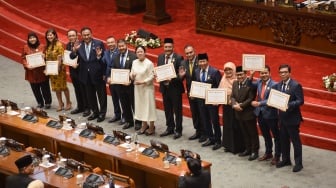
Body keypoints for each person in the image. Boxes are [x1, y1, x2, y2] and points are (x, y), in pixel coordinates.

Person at [70, 27, 107, 122]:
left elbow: (104, 59)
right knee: (90, 96)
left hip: (98, 74)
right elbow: (72, 57)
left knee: (101, 95)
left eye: (88, 34)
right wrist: (74, 50)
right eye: (84, 35)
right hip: (85, 75)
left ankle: (102, 114)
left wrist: (99, 57)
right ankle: (95, 112)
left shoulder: (98, 43)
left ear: (91, 34)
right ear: (81, 36)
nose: (86, 37)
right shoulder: (79, 45)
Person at [249, 65, 281, 165]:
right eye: (262, 73)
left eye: (266, 73)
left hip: (271, 114)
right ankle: (268, 153)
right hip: (260, 114)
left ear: (270, 73)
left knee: (276, 136)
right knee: (266, 135)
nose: (264, 75)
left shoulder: (275, 85)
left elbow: (272, 99)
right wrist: (251, 76)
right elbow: (250, 85)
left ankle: (277, 156)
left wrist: (259, 103)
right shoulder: (258, 81)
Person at [275, 64, 304, 172]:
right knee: (284, 140)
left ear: (289, 73)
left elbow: (300, 101)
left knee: (295, 142)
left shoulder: (296, 85)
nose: (283, 74)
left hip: (292, 118)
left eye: (285, 72)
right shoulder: (278, 85)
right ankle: (286, 159)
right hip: (282, 118)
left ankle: (298, 163)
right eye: (281, 72)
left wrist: (289, 105)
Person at [193, 53, 222, 150]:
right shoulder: (197, 71)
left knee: (214, 120)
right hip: (201, 101)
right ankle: (211, 138)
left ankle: (218, 140)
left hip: (212, 101)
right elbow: (196, 84)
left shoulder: (214, 72)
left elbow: (219, 86)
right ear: (198, 62)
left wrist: (217, 101)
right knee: (205, 120)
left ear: (207, 61)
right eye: (200, 61)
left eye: (203, 61)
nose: (202, 63)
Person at [157, 38, 184, 139]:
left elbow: (181, 75)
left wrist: (172, 78)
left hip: (175, 88)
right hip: (164, 88)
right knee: (167, 109)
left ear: (173, 47)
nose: (167, 49)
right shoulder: (160, 57)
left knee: (177, 110)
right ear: (163, 47)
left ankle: (178, 130)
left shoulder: (178, 58)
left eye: (169, 47)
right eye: (166, 47)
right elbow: (159, 71)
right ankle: (170, 128)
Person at [179, 45, 206, 142]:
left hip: (200, 92)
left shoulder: (200, 61)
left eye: (190, 52)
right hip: (190, 93)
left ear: (194, 51)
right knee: (194, 112)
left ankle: (204, 133)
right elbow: (181, 77)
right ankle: (198, 131)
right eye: (187, 53)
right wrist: (181, 76)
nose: (189, 55)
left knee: (202, 112)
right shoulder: (183, 63)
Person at [231, 66, 259, 161]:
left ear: (245, 74)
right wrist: (234, 104)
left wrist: (241, 106)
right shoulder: (235, 83)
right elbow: (232, 96)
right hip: (238, 113)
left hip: (248, 113)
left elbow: (251, 98)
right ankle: (248, 149)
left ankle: (255, 151)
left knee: (252, 133)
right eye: (238, 75)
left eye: (241, 74)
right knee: (244, 132)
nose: (239, 77)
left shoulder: (250, 84)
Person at [110, 39, 138, 130]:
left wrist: (130, 79)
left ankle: (138, 122)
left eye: (123, 46)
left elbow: (136, 71)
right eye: (119, 46)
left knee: (134, 104)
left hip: (131, 85)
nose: (121, 48)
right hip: (120, 86)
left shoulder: (133, 56)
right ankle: (129, 121)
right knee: (124, 104)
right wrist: (112, 78)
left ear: (126, 45)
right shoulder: (115, 57)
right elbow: (114, 69)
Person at [219, 62, 245, 154]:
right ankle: (228, 145)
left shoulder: (238, 80)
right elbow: (219, 92)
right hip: (226, 107)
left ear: (233, 70)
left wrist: (233, 102)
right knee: (227, 126)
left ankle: (238, 147)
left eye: (230, 69)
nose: (228, 71)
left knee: (236, 126)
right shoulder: (223, 79)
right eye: (226, 70)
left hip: (236, 107)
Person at [21, 32, 52, 109]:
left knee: (45, 88)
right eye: (30, 38)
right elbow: (23, 58)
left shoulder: (42, 46)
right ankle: (40, 102)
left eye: (33, 37)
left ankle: (48, 102)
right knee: (35, 89)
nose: (32, 39)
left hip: (41, 71)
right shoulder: (25, 47)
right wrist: (27, 66)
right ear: (28, 39)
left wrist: (44, 57)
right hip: (31, 72)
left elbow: (47, 57)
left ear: (36, 38)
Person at [130, 45, 156, 135]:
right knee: (140, 107)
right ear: (136, 53)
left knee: (149, 107)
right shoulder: (134, 62)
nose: (139, 53)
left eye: (141, 51)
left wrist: (142, 82)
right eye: (138, 52)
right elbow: (132, 73)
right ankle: (144, 125)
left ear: (145, 52)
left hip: (147, 88)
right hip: (138, 89)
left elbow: (152, 76)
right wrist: (131, 76)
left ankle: (152, 126)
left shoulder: (149, 63)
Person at [45, 28, 72, 112]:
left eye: (51, 35)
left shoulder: (59, 45)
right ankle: (60, 103)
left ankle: (68, 102)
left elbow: (61, 58)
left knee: (63, 87)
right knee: (56, 88)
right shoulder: (48, 46)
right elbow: (47, 59)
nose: (49, 36)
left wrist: (57, 68)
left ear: (55, 35)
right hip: (51, 70)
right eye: (48, 35)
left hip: (59, 70)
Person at [65, 29, 90, 117]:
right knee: (77, 89)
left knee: (84, 89)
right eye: (70, 36)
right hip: (73, 71)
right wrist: (70, 64)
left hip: (81, 70)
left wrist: (77, 64)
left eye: (73, 35)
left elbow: (84, 57)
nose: (71, 37)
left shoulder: (82, 44)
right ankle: (80, 106)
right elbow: (68, 57)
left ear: (77, 36)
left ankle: (87, 108)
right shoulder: (68, 45)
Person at [103, 36, 124, 125]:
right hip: (110, 80)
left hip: (118, 79)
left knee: (122, 99)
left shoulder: (119, 51)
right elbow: (104, 64)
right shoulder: (106, 52)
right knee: (114, 98)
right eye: (109, 43)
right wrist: (106, 75)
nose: (110, 44)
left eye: (112, 42)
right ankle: (117, 114)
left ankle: (125, 116)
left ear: (115, 42)